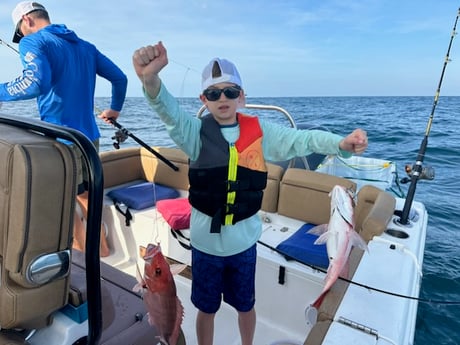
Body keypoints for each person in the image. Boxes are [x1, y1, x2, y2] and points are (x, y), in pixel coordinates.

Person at [132, 41, 368, 345]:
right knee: (206, 309)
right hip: (205, 247)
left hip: (244, 246)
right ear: (204, 99)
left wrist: (340, 144)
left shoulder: (262, 133)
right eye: (214, 93)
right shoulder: (193, 133)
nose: (223, 99)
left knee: (246, 306)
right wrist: (149, 79)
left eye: (231, 92)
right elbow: (168, 111)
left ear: (242, 97)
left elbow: (301, 140)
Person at [0, 2, 128, 257]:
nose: (22, 38)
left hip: (62, 143)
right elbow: (120, 78)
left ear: (26, 20)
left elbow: (34, 82)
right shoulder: (86, 47)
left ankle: (81, 265)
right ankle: (101, 252)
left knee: (64, 206)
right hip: (90, 140)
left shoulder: (33, 41)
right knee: (87, 198)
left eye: (21, 31)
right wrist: (114, 110)